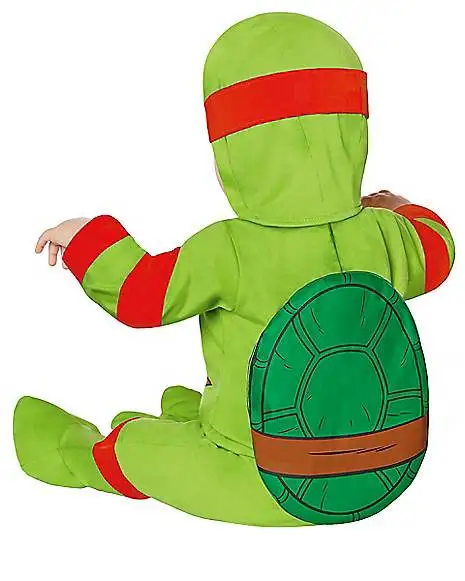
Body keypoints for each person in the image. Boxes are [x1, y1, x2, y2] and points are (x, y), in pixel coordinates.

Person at [14, 13, 454, 526]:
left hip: (262, 479)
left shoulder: (230, 248)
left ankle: (68, 451)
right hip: (386, 471)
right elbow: (439, 249)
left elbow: (140, 296)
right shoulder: (383, 234)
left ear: (233, 149)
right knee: (188, 413)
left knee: (132, 445)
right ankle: (197, 421)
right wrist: (399, 205)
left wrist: (87, 238)